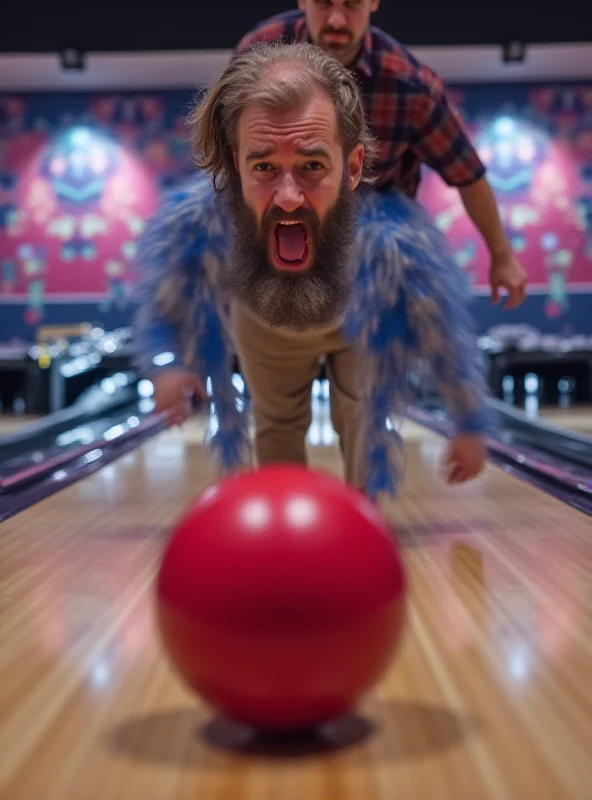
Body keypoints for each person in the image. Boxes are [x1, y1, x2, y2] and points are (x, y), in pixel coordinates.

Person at [133, 42, 490, 500]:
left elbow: (443, 335)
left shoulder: (393, 238)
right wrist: (167, 366)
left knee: (363, 414)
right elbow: (165, 302)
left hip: (361, 316)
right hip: (263, 324)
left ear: (354, 167)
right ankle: (284, 529)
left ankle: (364, 524)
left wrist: (470, 421)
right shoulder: (200, 220)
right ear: (233, 165)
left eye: (312, 166)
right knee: (277, 424)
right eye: (263, 165)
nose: (287, 196)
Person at [234, 1, 528, 309]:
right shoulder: (257, 54)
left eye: (351, 4)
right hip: (274, 253)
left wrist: (502, 255)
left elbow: (466, 172)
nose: (336, 19)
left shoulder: (410, 85)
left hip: (374, 268)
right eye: (323, 3)